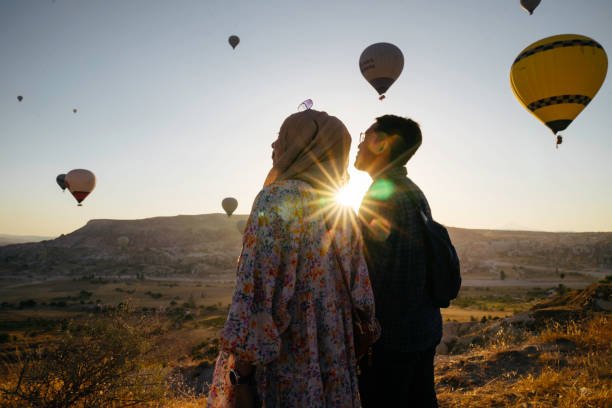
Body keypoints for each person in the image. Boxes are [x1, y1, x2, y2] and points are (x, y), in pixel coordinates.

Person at [207, 109, 379, 408]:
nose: (273, 147)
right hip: (335, 357)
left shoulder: (277, 198)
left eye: (282, 138)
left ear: (305, 145)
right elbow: (362, 293)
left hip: (288, 360)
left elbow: (258, 292)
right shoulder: (342, 209)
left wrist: (242, 374)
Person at [354, 115, 442, 407]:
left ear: (380, 144)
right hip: (421, 328)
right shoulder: (413, 191)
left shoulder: (382, 194)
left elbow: (370, 273)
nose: (358, 145)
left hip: (392, 339)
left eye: (364, 137)